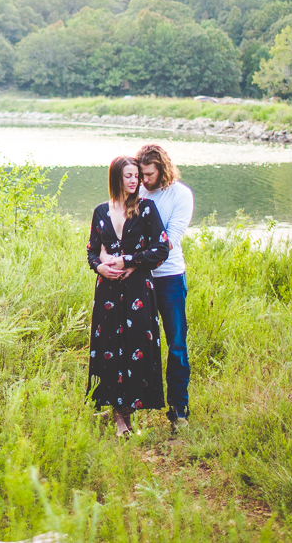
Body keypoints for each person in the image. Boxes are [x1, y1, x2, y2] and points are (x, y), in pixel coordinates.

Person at [85, 155, 172, 436]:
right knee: (110, 348)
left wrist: (129, 261)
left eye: (137, 175)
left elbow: (162, 249)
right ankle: (117, 413)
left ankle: (128, 412)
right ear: (116, 179)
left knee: (136, 348)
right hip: (108, 290)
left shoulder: (147, 208)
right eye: (129, 176)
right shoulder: (100, 211)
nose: (135, 181)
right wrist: (100, 267)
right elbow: (91, 251)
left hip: (138, 290)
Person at [136, 143, 194, 431]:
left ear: (162, 168)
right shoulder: (136, 191)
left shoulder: (180, 194)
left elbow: (170, 239)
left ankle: (179, 411)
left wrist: (138, 260)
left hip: (169, 278)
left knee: (176, 344)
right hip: (138, 279)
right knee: (135, 344)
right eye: (141, 174)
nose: (144, 180)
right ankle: (129, 407)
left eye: (148, 174)